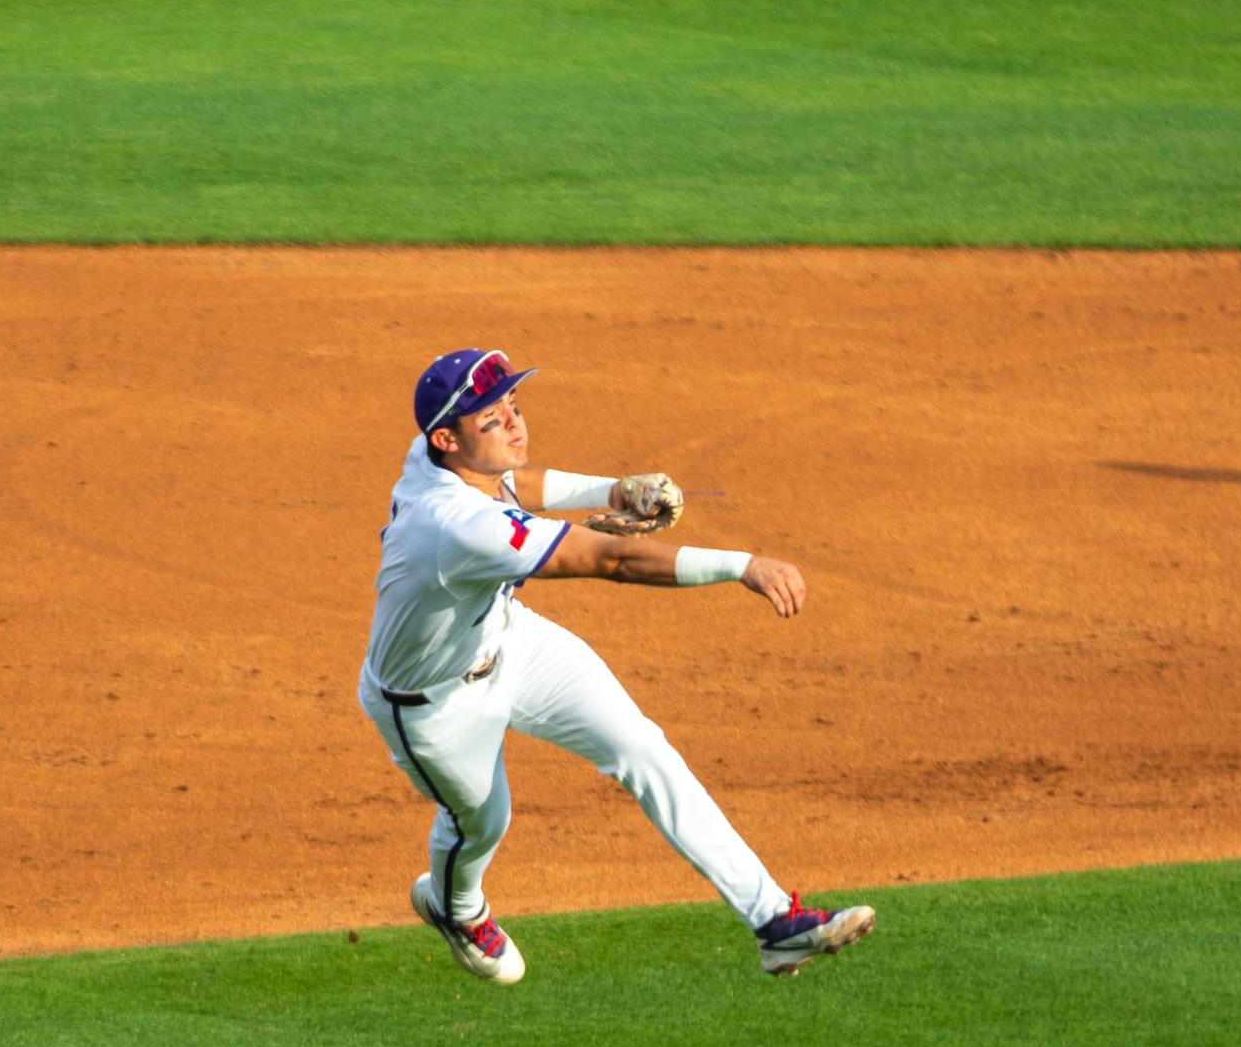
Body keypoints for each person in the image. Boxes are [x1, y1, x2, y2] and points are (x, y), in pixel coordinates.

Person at [357, 347, 875, 983]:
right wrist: (742, 564)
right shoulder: (457, 523)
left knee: (642, 746)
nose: (515, 424)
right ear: (447, 438)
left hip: (507, 639)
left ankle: (775, 922)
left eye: (513, 407)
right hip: (434, 706)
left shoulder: (442, 460)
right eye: (493, 420)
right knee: (482, 822)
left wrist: (614, 490)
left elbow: (523, 483)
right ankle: (455, 907)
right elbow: (614, 562)